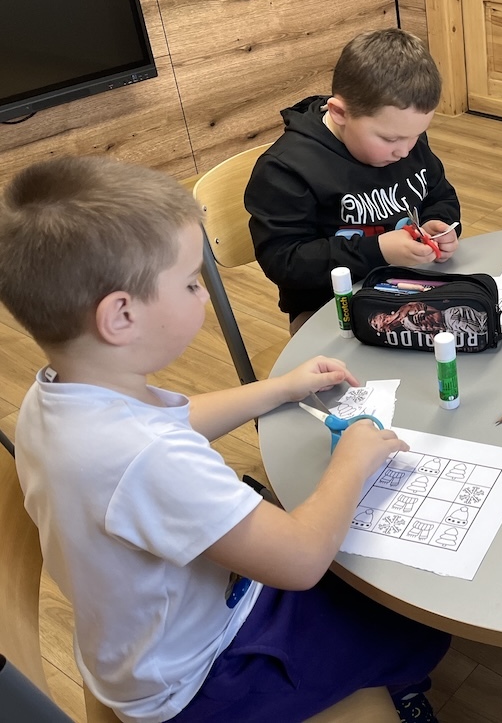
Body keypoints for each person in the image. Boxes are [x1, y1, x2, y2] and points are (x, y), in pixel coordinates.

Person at [0, 156, 450, 723]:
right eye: (191, 282)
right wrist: (354, 460)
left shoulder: (58, 396)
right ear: (120, 316)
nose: (204, 295)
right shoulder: (147, 458)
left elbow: (174, 421)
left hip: (153, 643)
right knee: (407, 618)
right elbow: (301, 559)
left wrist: (278, 389)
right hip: (204, 678)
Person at [246, 28, 461, 333]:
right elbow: (284, 261)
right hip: (330, 306)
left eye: (416, 135)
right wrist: (378, 250)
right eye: (390, 139)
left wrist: (439, 225)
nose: (404, 151)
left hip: (410, 284)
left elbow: (440, 196)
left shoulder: (405, 142)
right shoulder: (285, 169)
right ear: (339, 113)